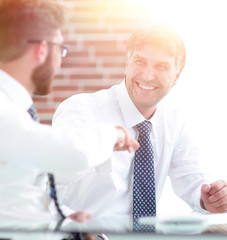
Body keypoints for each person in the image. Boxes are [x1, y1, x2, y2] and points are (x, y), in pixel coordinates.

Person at [53, 23, 227, 218]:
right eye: (140, 61)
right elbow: (54, 181)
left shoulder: (174, 121)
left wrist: (211, 197)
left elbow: (194, 180)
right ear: (127, 63)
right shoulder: (80, 111)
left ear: (177, 76)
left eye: (161, 66)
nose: (147, 75)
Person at [0, 0, 139, 230]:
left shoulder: (15, 111)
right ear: (42, 49)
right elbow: (67, 152)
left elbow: (19, 195)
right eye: (61, 49)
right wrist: (112, 135)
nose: (60, 62)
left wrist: (64, 219)